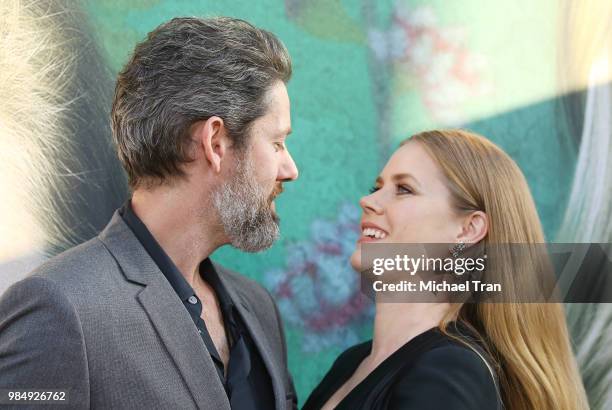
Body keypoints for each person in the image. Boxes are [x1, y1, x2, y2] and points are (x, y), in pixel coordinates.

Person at [0, 17, 298, 410]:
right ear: (214, 142)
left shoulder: (257, 307)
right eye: (276, 143)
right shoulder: (59, 308)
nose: (289, 169)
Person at [303, 129, 589, 410]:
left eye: (404, 189)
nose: (368, 201)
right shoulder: (352, 361)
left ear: (468, 229)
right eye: (377, 188)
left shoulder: (450, 370)